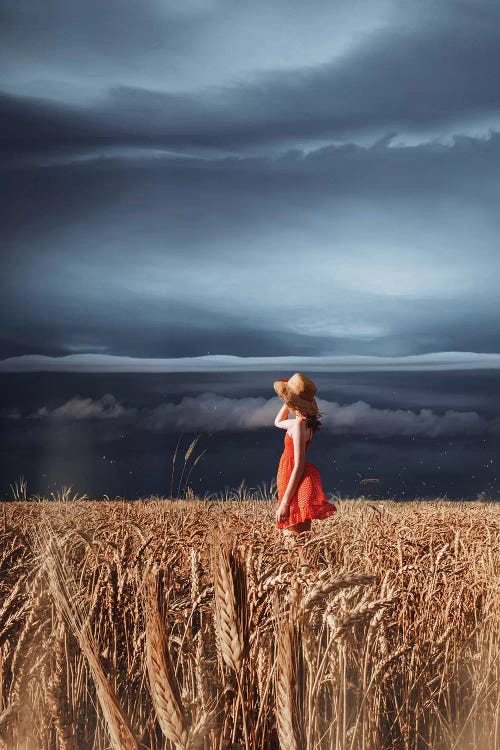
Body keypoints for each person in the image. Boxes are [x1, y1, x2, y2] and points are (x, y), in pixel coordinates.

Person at [273, 373, 336, 558]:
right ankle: (306, 569)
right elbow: (277, 422)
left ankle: (304, 570)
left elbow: (299, 465)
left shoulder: (300, 425)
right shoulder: (301, 423)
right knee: (300, 533)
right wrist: (289, 400)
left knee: (294, 530)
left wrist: (285, 502)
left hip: (294, 475)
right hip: (291, 474)